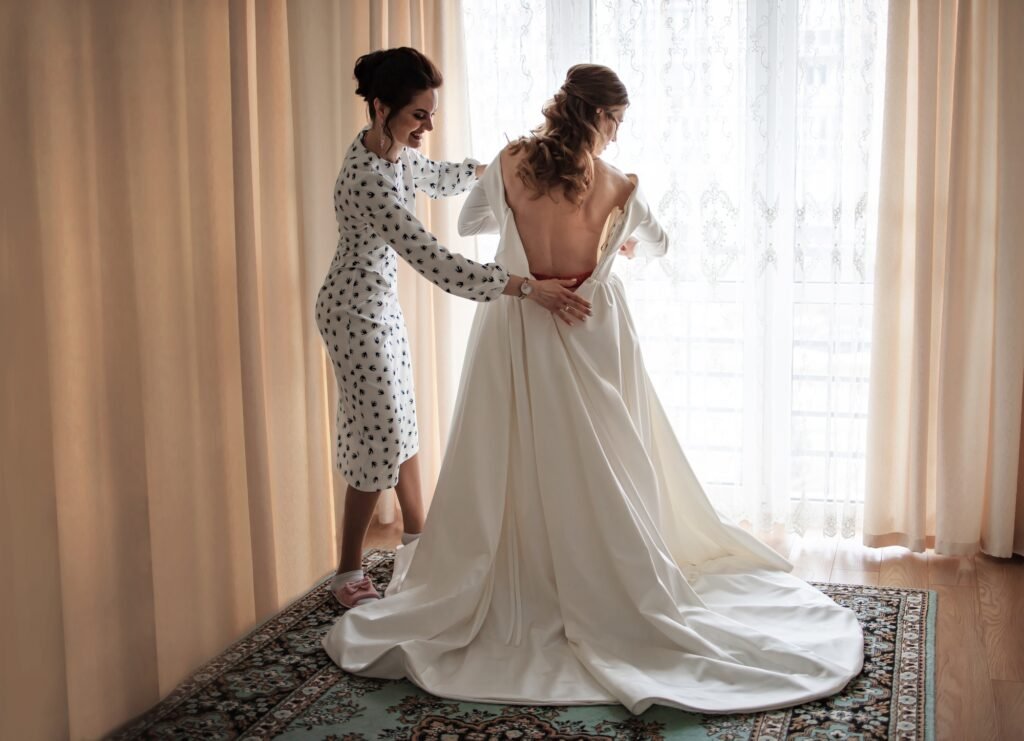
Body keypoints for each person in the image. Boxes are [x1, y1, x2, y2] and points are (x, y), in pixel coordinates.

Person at [322, 63, 864, 714]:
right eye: (618, 121)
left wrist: (517, 236)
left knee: (513, 457)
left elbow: (469, 227)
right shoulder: (620, 187)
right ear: (603, 119)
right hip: (587, 332)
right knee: (603, 460)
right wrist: (622, 246)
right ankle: (601, 574)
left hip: (516, 329)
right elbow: (658, 245)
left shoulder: (510, 160)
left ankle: (494, 568)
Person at [316, 47, 592, 609]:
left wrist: (499, 166)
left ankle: (418, 545)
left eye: (430, 113)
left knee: (403, 428)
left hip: (379, 306)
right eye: (419, 114)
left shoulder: (391, 152)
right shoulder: (369, 176)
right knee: (379, 440)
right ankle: (345, 572)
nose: (428, 125)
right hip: (352, 312)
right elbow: (434, 261)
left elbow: (439, 178)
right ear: (380, 106)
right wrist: (522, 286)